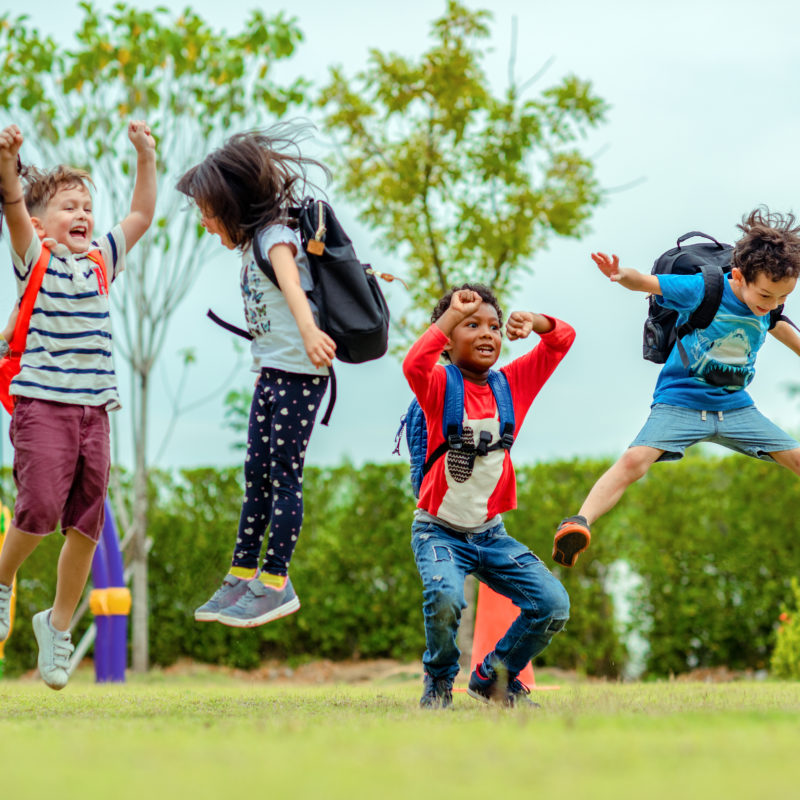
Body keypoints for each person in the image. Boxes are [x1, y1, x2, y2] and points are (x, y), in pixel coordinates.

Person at [0, 120, 156, 689]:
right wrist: (8, 164)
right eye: (69, 207)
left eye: (87, 206)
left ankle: (57, 625)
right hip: (44, 405)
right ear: (42, 223)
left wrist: (145, 156)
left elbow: (140, 215)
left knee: (86, 525)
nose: (83, 214)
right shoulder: (34, 258)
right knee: (39, 507)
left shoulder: (100, 261)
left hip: (96, 412)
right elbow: (12, 206)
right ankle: (2, 580)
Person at [553, 208, 800, 568]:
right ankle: (578, 522)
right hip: (680, 402)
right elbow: (648, 283)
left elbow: (791, 337)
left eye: (782, 298)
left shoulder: (768, 308)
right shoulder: (703, 289)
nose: (772, 305)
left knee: (796, 457)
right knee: (634, 460)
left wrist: (771, 307)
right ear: (739, 276)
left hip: (735, 406)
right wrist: (621, 275)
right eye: (766, 295)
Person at [178, 127, 335, 629]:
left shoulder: (273, 236)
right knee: (257, 475)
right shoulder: (251, 246)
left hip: (299, 374)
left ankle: (276, 581)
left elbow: (291, 283)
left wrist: (309, 332)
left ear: (233, 204)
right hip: (271, 374)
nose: (204, 223)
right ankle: (243, 573)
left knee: (284, 476)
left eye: (208, 212)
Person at [404, 283, 574, 708]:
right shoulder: (439, 386)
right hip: (438, 532)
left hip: (491, 535)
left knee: (552, 604)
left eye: (494, 327)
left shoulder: (512, 385)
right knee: (445, 597)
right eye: (471, 325)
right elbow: (414, 364)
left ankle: (493, 677)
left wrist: (535, 322)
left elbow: (562, 339)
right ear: (447, 339)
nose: (486, 334)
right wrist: (449, 315)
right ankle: (439, 680)